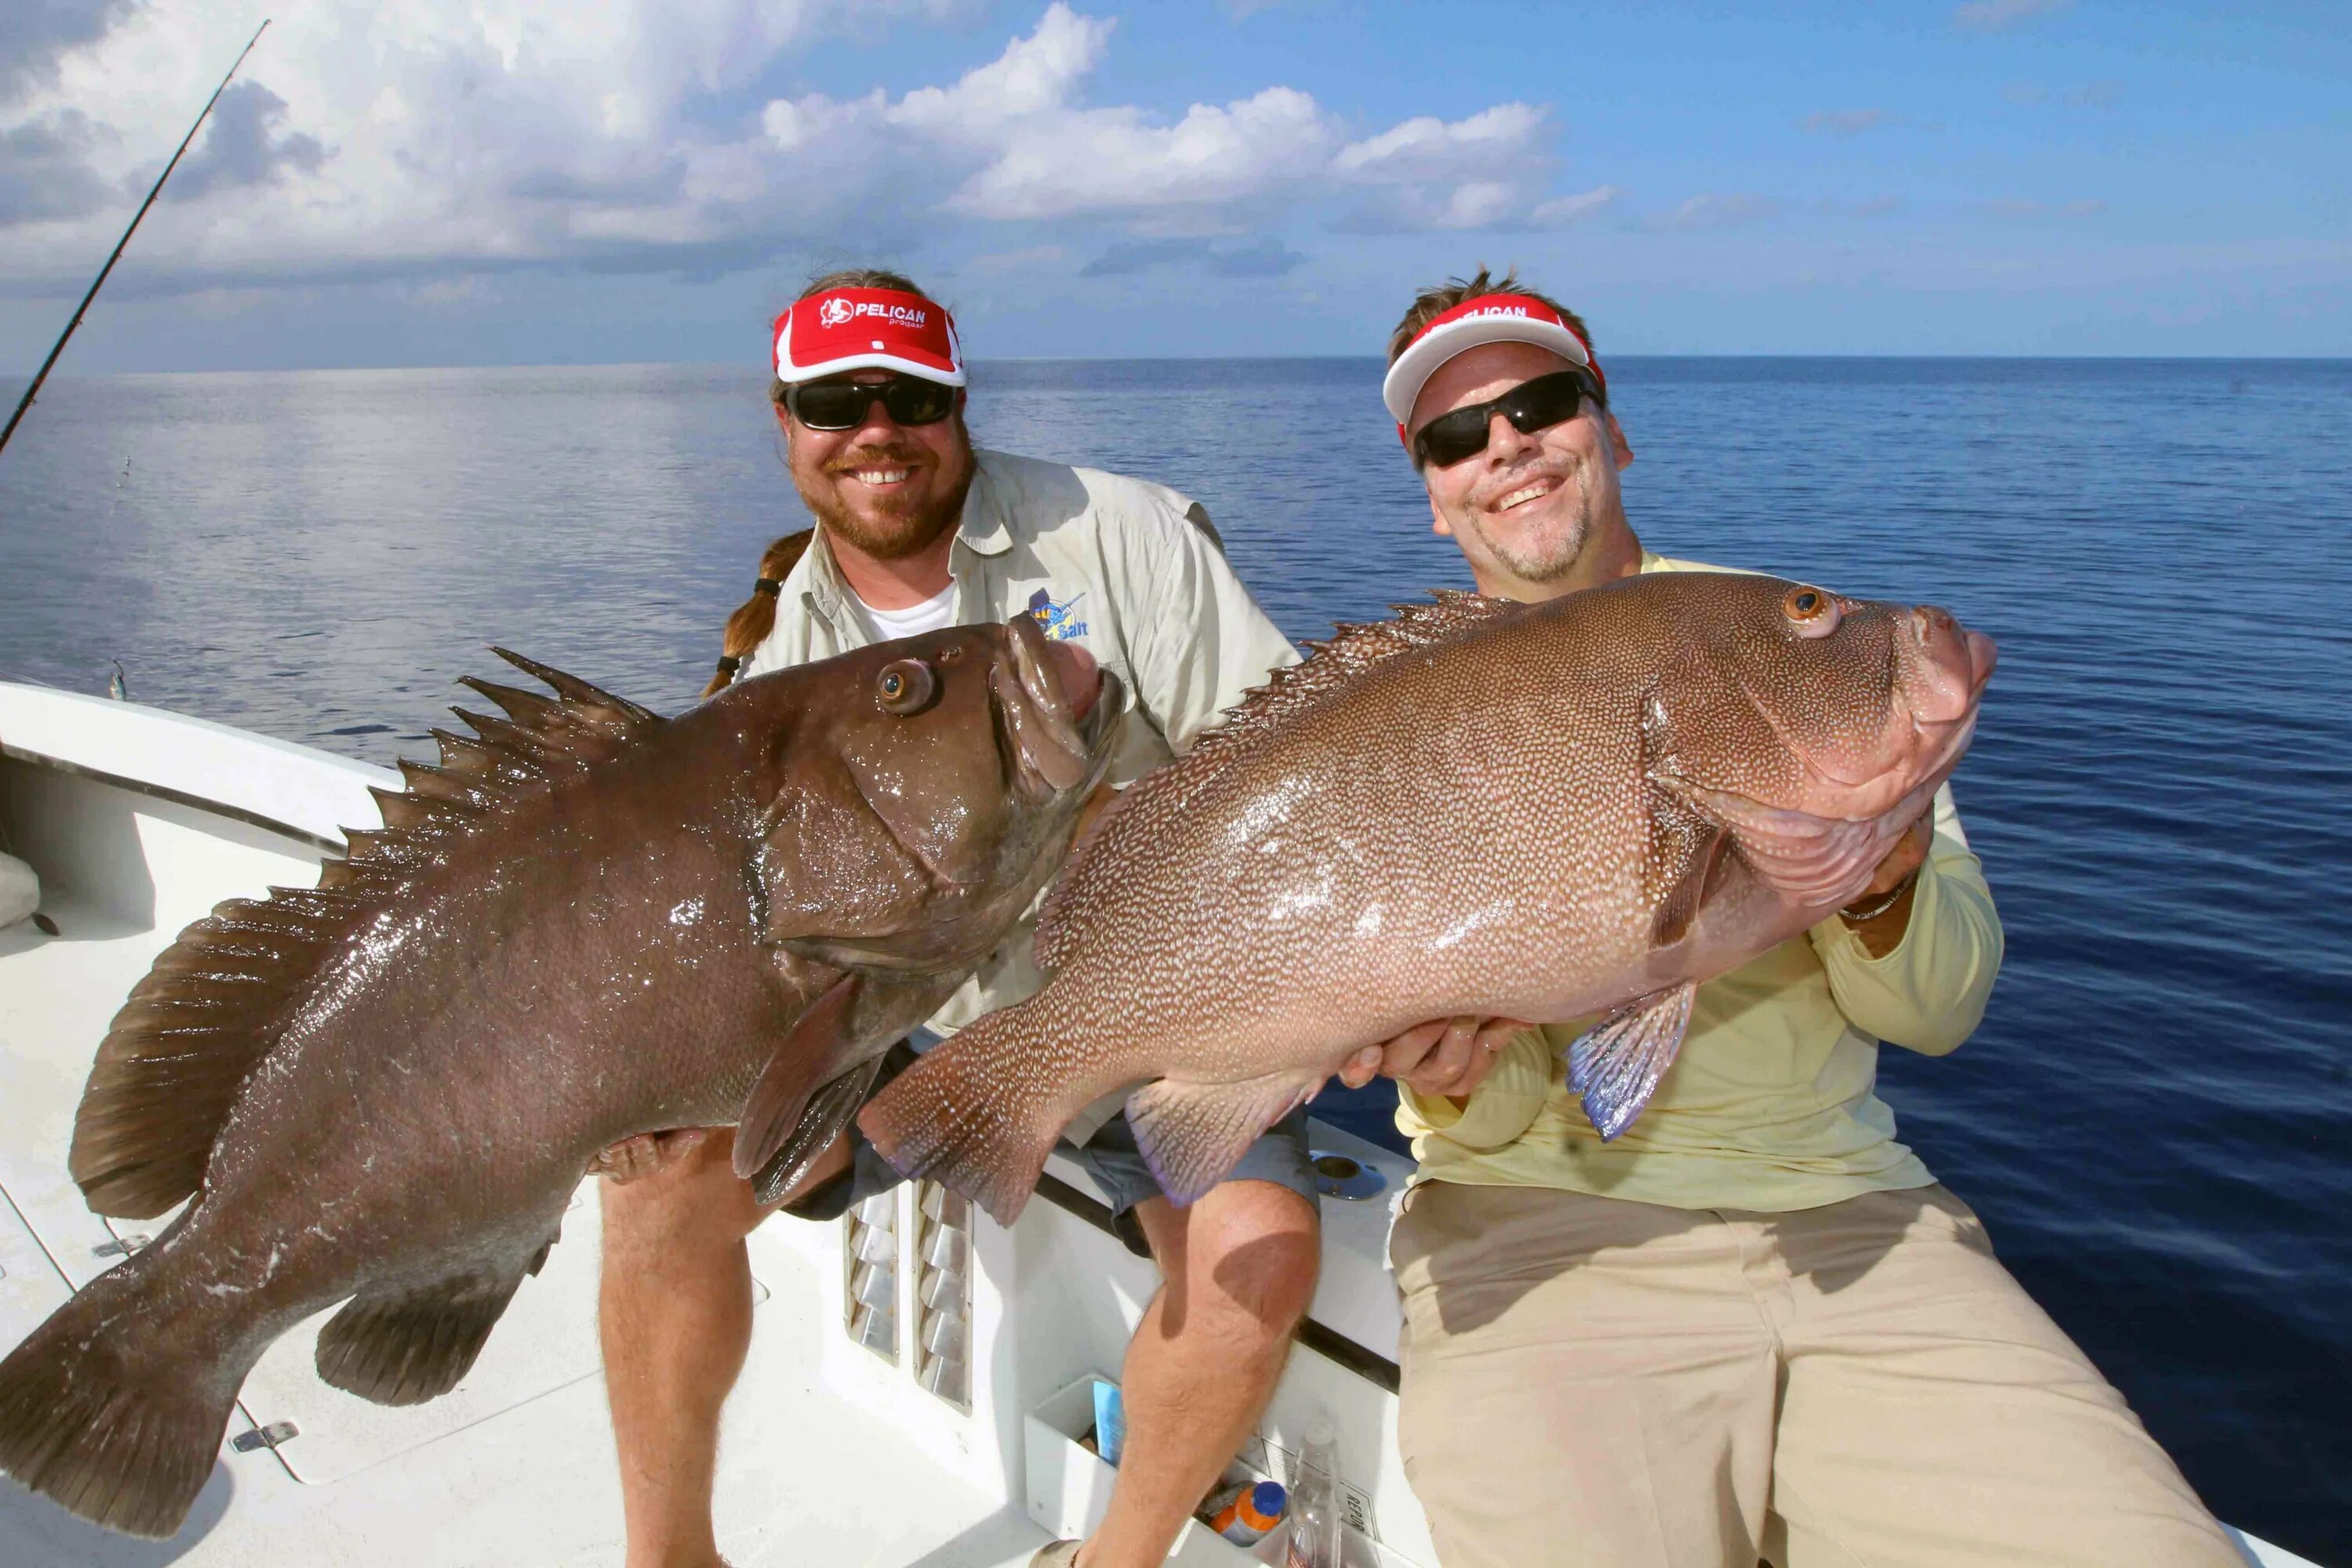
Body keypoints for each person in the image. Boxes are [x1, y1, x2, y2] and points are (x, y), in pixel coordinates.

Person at [1348, 270, 2244, 1567]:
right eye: (1456, 434)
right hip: (1532, 1234)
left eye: (1543, 402)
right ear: (1432, 492)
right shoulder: (1400, 713)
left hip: (1854, 1218)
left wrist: (1874, 868)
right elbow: (1487, 1121)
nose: (1507, 446)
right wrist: (1452, 1067)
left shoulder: (1771, 637)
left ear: (1611, 427)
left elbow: (1937, 1012)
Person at [592, 270, 1320, 1568]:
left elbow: (1298, 769)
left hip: (1144, 1010)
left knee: (1257, 1262)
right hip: (896, 1023)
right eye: (836, 400)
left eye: (909, 395)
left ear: (957, 400)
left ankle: (1113, 1558)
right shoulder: (777, 660)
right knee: (656, 1196)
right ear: (785, 422)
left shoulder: (1123, 536)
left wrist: (1121, 851)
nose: (878, 427)